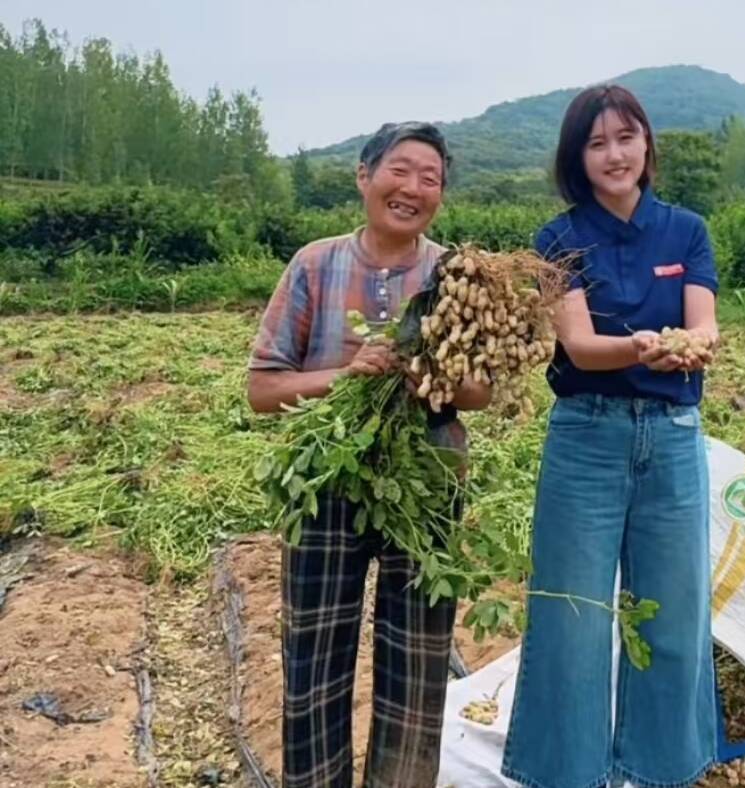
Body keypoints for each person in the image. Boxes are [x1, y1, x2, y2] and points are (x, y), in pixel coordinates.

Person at [247, 122, 491, 788]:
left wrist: (429, 375)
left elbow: (480, 391)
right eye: (400, 171)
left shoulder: (454, 274)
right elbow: (263, 389)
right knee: (314, 657)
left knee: (417, 661)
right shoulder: (314, 264)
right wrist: (345, 375)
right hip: (326, 477)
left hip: (426, 480)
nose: (412, 188)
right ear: (364, 175)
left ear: (441, 193)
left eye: (430, 178)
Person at [500, 84, 720, 788]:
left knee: (676, 611)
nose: (614, 154)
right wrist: (645, 348)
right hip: (586, 438)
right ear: (577, 159)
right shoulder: (557, 239)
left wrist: (692, 345)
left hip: (673, 436)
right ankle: (563, 771)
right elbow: (582, 345)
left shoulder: (685, 231)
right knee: (573, 613)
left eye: (625, 137)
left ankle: (661, 768)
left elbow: (705, 326)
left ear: (647, 143)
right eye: (596, 144)